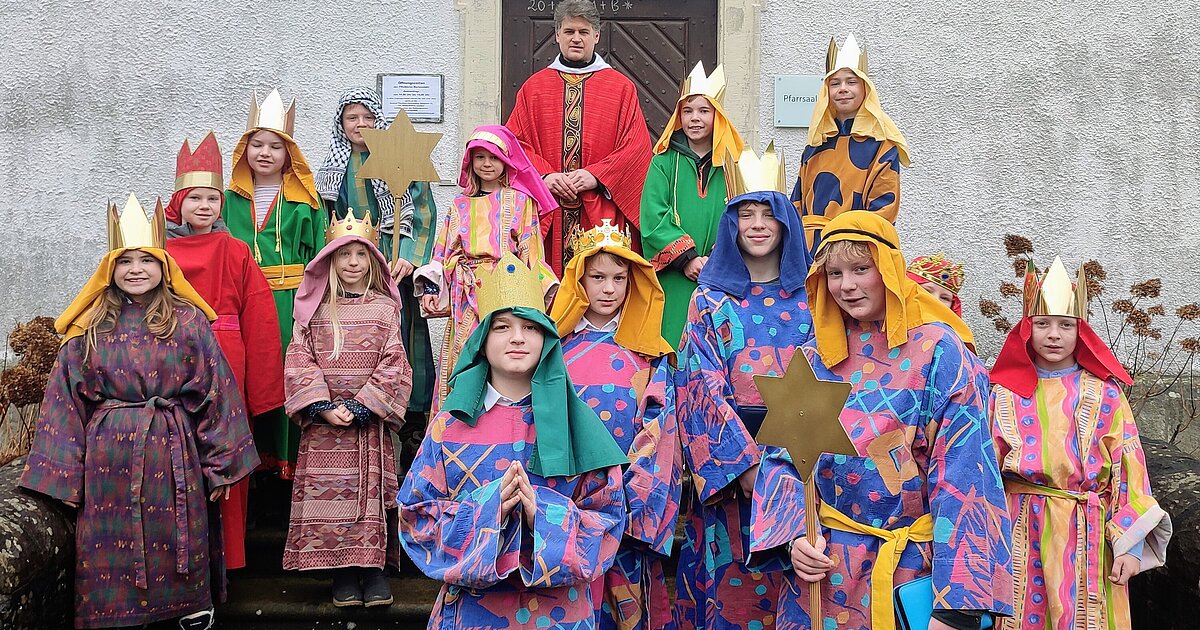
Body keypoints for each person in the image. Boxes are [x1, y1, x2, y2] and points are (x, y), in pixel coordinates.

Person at [749, 211, 1012, 630]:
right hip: (825, 575)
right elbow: (784, 460)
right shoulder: (815, 357)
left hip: (912, 571)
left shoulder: (940, 351)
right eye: (834, 273)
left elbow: (967, 475)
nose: (847, 286)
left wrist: (957, 605)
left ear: (889, 270)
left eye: (860, 269)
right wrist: (795, 535)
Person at [20, 195, 259, 630]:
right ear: (109, 269)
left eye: (146, 260)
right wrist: (62, 479)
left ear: (164, 266)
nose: (136, 269)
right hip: (107, 462)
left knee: (176, 536)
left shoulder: (187, 322)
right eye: (125, 261)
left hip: (173, 457)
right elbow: (65, 401)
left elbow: (215, 391)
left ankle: (187, 610)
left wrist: (222, 464)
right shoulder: (90, 327)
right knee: (111, 544)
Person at [399, 254, 629, 628]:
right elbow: (414, 519)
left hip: (562, 615)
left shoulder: (578, 424)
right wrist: (488, 509)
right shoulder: (449, 426)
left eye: (530, 327)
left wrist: (543, 514)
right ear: (482, 340)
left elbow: (608, 521)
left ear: (546, 340)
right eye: (502, 327)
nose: (518, 338)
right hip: (473, 614)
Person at [989, 257, 1172, 629]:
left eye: (1065, 325)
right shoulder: (1002, 394)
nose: (1053, 335)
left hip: (1086, 533)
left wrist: (1131, 546)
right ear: (1026, 329)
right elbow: (982, 471)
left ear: (1081, 331)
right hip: (1018, 529)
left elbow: (1129, 472)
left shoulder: (1105, 395)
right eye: (1042, 324)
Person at [674, 145, 814, 629]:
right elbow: (697, 387)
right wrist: (749, 471)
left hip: (805, 465)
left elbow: (832, 375)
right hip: (735, 476)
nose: (756, 224)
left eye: (767, 215)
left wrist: (794, 474)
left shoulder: (813, 298)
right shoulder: (709, 299)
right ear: (731, 224)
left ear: (785, 224)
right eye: (745, 214)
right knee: (734, 598)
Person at [549, 221, 680, 629]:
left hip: (627, 505)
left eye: (619, 279)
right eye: (598, 277)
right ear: (579, 279)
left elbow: (659, 432)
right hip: (568, 504)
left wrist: (636, 503)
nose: (608, 289)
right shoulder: (552, 349)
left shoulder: (648, 354)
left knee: (626, 607)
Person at [164, 132, 285, 571]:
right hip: (175, 361)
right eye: (194, 198)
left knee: (227, 452)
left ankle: (230, 557)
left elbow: (260, 318)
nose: (203, 207)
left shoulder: (236, 251)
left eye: (212, 200)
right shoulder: (159, 254)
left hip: (229, 361)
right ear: (178, 202)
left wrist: (264, 389)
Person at [281, 213, 413, 606]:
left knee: (367, 496)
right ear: (330, 261)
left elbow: (395, 362)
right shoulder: (314, 311)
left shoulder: (386, 310)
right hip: (324, 428)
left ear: (373, 261)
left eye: (361, 254)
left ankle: (372, 571)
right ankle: (342, 573)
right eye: (344, 255)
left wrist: (361, 405)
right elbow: (299, 359)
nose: (353, 262)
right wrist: (321, 406)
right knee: (332, 499)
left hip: (366, 424)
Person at [315, 87, 438, 436]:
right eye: (352, 117)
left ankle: (413, 420)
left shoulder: (401, 160)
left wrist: (410, 258)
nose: (360, 124)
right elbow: (326, 220)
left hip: (395, 261)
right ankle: (359, 401)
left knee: (405, 333)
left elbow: (425, 213)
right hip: (353, 262)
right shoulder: (331, 168)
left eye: (368, 117)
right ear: (341, 123)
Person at [506, 0, 654, 274]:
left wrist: (597, 175)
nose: (576, 38)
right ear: (557, 35)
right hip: (547, 207)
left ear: (596, 36)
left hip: (600, 210)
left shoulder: (620, 88)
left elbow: (636, 148)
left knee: (599, 288)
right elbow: (515, 144)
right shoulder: (534, 88)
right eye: (570, 31)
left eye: (584, 32)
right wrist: (546, 176)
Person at [223, 88, 326, 478]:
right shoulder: (227, 199)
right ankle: (249, 463)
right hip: (243, 303)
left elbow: (318, 257)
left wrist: (310, 311)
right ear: (245, 149)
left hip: (290, 303)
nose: (264, 153)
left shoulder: (306, 200)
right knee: (248, 374)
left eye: (275, 147)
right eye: (257, 144)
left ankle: (288, 466)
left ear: (288, 155)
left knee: (287, 374)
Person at [414, 125, 557, 406]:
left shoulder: (521, 202)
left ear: (505, 161)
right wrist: (431, 287)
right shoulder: (458, 205)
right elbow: (442, 251)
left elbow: (531, 252)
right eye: (479, 157)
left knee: (504, 350)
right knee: (465, 353)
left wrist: (542, 291)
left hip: (507, 290)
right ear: (470, 162)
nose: (487, 164)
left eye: (493, 157)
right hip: (466, 293)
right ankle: (458, 419)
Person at [640, 62, 745, 349]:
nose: (694, 118)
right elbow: (653, 216)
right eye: (687, 111)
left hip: (721, 276)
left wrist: (715, 260)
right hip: (675, 277)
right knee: (673, 347)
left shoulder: (734, 166)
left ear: (718, 116)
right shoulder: (663, 162)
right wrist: (687, 259)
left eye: (703, 111)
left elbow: (744, 218)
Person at [791, 34, 910, 254]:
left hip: (854, 250)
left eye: (851, 82)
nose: (842, 89)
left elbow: (883, 209)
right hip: (809, 250)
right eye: (835, 83)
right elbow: (797, 203)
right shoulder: (815, 146)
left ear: (866, 89)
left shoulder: (881, 146)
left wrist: (852, 250)